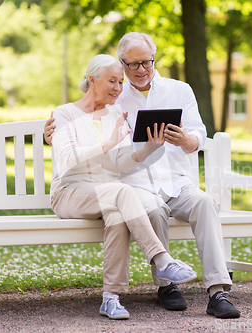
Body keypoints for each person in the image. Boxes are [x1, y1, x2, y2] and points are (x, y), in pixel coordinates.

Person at [45, 34, 240, 319]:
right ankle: (167, 284)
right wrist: (51, 134)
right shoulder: (113, 98)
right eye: (131, 65)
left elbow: (197, 135)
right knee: (153, 209)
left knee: (205, 203)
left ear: (154, 58)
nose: (139, 70)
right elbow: (79, 126)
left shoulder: (178, 90)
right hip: (132, 185)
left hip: (176, 181)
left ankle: (217, 291)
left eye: (146, 62)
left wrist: (183, 140)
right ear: (121, 64)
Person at [50, 54, 197, 320]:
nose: (119, 88)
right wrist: (107, 144)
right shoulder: (65, 113)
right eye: (112, 81)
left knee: (118, 215)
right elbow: (66, 159)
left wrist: (150, 148)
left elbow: (120, 164)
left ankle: (110, 298)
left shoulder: (115, 113)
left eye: (120, 81)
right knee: (122, 192)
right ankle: (161, 259)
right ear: (92, 79)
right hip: (70, 192)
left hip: (107, 193)